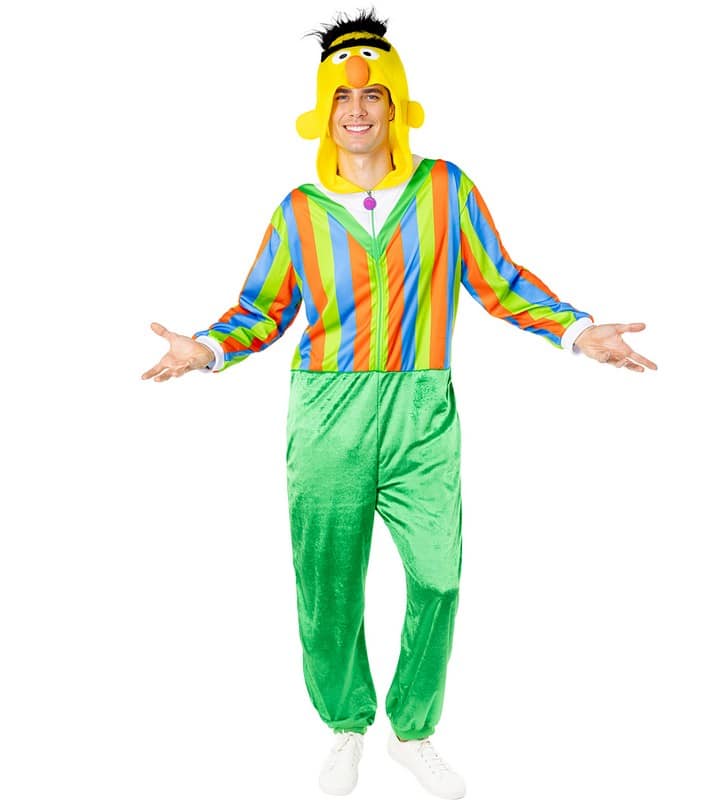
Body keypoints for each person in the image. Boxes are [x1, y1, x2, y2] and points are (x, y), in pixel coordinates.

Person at [141, 10, 657, 799]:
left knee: (439, 576)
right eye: (343, 97)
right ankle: (346, 725)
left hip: (423, 412)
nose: (357, 110)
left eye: (373, 95)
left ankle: (411, 732)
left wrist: (577, 330)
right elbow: (261, 310)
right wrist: (207, 348)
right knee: (328, 584)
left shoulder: (444, 190)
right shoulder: (300, 211)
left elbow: (500, 279)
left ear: (395, 104)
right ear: (324, 110)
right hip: (328, 414)